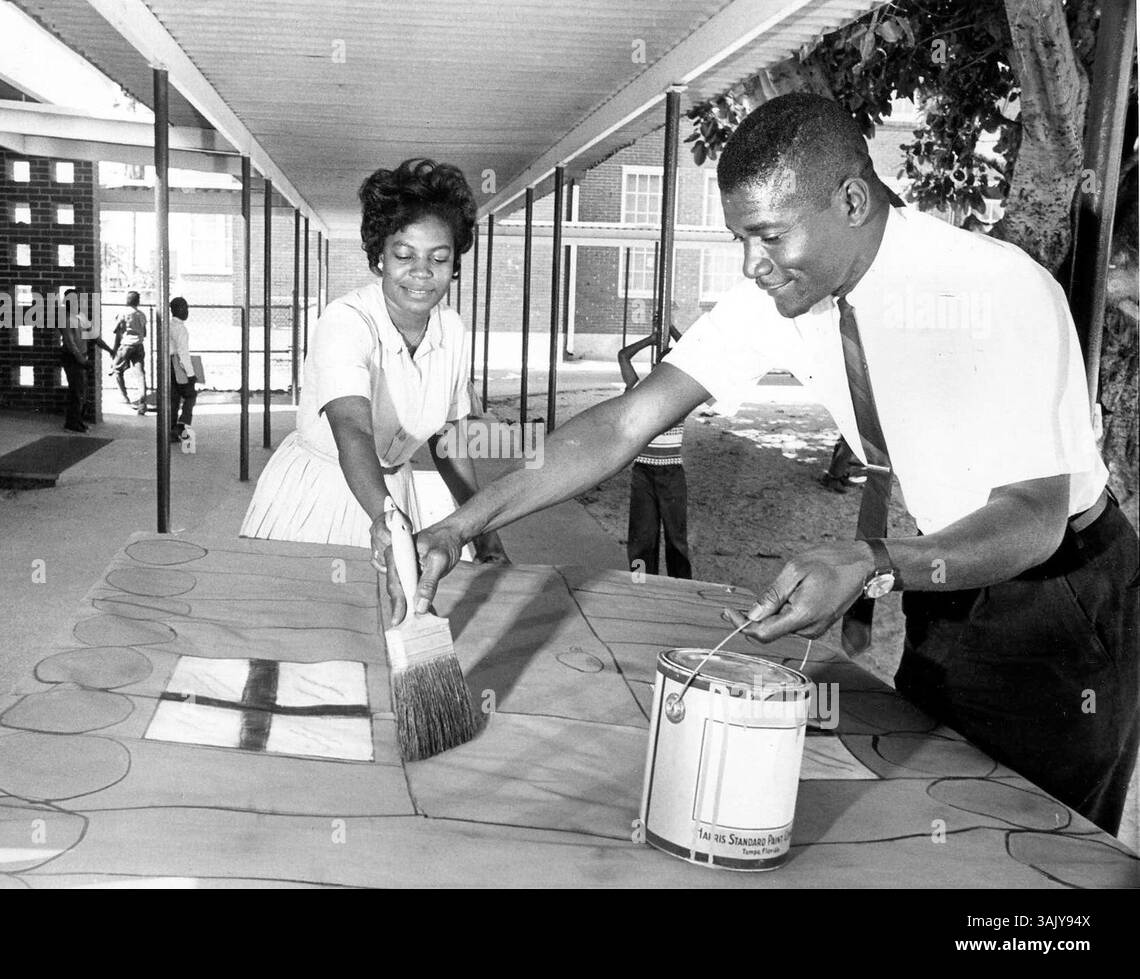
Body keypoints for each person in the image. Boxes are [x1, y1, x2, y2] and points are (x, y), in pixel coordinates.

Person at [395, 94, 1137, 836]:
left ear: (850, 199)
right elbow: (624, 422)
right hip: (945, 583)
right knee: (930, 819)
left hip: (1063, 599)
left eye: (769, 236)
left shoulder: (994, 290)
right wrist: (461, 524)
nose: (753, 265)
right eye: (740, 240)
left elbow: (1034, 515)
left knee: (1036, 851)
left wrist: (874, 560)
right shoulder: (786, 296)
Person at [240, 158, 507, 572]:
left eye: (439, 258)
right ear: (380, 256)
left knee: (390, 621)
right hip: (320, 490)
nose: (421, 272)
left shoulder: (451, 330)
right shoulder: (346, 321)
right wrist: (383, 514)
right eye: (404, 255)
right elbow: (354, 430)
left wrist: (486, 536)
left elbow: (448, 440)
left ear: (454, 265)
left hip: (392, 493)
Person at [618, 328, 690, 579]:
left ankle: (683, 588)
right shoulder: (638, 390)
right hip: (643, 473)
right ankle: (640, 583)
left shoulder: (682, 398)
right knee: (641, 538)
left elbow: (694, 354)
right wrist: (650, 339)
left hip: (671, 474)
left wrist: (672, 331)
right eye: (661, 368)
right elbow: (624, 356)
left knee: (676, 538)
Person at [57, 290, 91, 432]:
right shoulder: (65, 319)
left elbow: (93, 334)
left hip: (80, 357)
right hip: (73, 358)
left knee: (81, 391)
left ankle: (77, 420)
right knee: (76, 391)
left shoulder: (79, 317)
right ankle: (72, 423)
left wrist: (109, 349)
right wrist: (81, 359)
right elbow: (70, 343)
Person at [110, 290, 148, 414]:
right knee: (140, 374)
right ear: (138, 301)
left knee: (116, 369)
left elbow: (115, 329)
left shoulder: (123, 313)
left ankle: (124, 397)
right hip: (139, 345)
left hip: (126, 345)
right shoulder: (141, 314)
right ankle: (142, 402)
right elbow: (145, 333)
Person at [167, 296, 197, 444]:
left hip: (168, 364)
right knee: (190, 395)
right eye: (185, 308)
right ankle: (181, 426)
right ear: (178, 310)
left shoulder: (168, 325)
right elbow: (183, 353)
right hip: (178, 365)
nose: (187, 311)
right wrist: (191, 375)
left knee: (174, 398)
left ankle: (171, 430)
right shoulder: (181, 329)